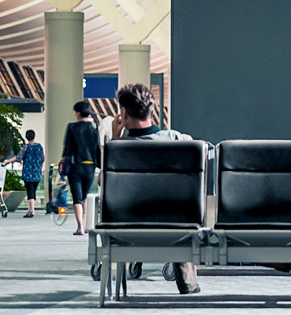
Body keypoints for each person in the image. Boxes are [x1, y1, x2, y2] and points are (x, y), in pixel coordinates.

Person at [110, 84, 199, 294]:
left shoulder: (118, 147)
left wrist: (115, 138)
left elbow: (106, 184)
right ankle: (188, 282)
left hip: (129, 223)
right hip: (176, 222)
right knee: (176, 208)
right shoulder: (177, 140)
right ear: (152, 110)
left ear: (123, 112)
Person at [60, 101, 99, 235]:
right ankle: (87, 225)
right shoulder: (94, 128)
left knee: (77, 198)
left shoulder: (72, 127)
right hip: (90, 166)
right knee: (84, 197)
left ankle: (80, 227)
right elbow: (97, 148)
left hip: (76, 165)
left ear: (77, 113)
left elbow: (67, 147)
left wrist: (63, 161)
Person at [3, 129, 44, 217]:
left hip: (28, 172)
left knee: (30, 191)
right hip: (37, 172)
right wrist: (41, 169)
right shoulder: (39, 147)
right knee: (33, 191)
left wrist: (7, 161)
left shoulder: (26, 147)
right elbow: (42, 159)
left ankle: (32, 210)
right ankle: (29, 210)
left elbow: (18, 158)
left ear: (26, 137)